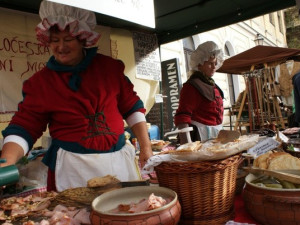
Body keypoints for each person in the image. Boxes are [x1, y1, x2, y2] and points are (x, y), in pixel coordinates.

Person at [0, 1, 152, 192]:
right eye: (55, 40)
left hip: (118, 164)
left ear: (83, 38)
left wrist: (146, 146)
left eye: (68, 39)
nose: (61, 46)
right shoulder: (41, 83)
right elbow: (25, 125)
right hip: (73, 169)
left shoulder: (109, 69)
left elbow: (131, 106)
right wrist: (7, 162)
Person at [174, 41, 224, 144]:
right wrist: (187, 146)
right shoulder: (192, 87)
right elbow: (182, 117)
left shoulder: (212, 84)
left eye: (215, 63)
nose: (214, 67)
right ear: (199, 64)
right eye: (210, 63)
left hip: (215, 137)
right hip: (198, 139)